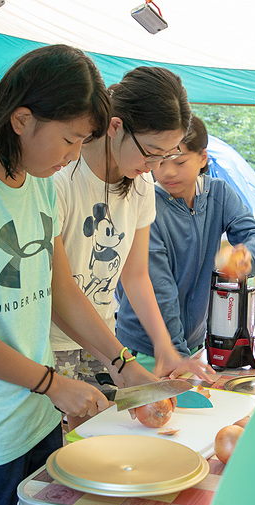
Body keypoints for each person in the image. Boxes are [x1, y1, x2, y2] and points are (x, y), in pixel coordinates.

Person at [0, 45, 157, 505]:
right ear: (22, 119)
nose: (74, 156)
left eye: (83, 143)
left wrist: (124, 365)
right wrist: (54, 384)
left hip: (36, 417)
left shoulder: (40, 184)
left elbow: (63, 291)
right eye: (70, 140)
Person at [50, 67, 213, 421]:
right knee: (65, 454)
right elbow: (56, 290)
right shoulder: (60, 176)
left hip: (104, 336)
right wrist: (120, 359)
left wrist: (164, 345)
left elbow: (135, 276)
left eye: (166, 157)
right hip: (53, 343)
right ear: (115, 126)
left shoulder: (138, 186)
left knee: (102, 441)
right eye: (150, 153)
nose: (155, 167)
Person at [115, 116, 255, 371]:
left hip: (193, 347)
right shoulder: (147, 205)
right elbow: (160, 290)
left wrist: (248, 256)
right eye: (161, 161)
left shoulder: (219, 194)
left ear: (203, 157)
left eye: (180, 161)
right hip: (145, 350)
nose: (168, 172)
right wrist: (176, 354)